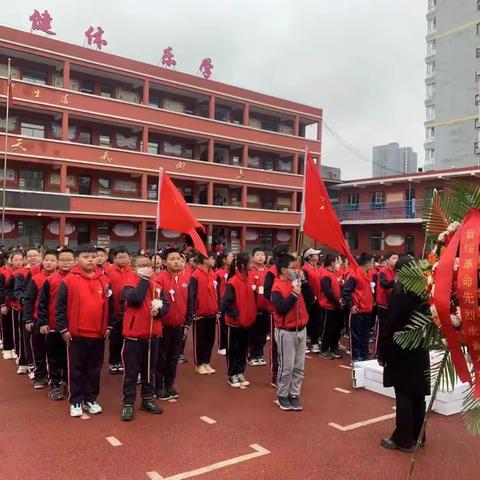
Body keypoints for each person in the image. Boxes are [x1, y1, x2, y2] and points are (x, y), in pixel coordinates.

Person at [379, 256, 430, 453]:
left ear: (400, 273)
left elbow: (389, 326)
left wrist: (383, 352)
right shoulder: (425, 292)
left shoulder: (400, 295)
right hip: (419, 348)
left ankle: (403, 439)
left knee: (404, 394)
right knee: (418, 394)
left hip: (401, 350)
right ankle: (419, 436)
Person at [56, 244, 114, 418]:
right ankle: (76, 400)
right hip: (76, 334)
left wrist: (109, 325)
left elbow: (110, 307)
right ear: (77, 260)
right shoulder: (68, 281)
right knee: (76, 368)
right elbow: (60, 308)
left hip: (98, 334)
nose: (90, 260)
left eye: (93, 257)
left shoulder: (105, 280)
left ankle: (90, 399)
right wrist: (63, 329)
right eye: (85, 257)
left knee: (94, 368)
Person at [120, 254, 169, 421]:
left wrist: (160, 311)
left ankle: (147, 399)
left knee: (149, 370)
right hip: (134, 336)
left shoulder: (157, 284)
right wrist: (145, 279)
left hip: (152, 334)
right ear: (134, 268)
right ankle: (128, 403)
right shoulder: (129, 283)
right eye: (142, 265)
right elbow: (135, 299)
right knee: (132, 372)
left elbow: (165, 304)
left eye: (148, 264)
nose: (147, 267)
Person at [271, 254, 315, 411]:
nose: (296, 270)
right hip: (286, 331)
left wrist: (304, 282)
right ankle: (282, 394)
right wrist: (293, 294)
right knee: (287, 366)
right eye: (292, 267)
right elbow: (281, 308)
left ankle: (294, 394)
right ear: (283, 269)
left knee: (299, 366)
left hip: (301, 328)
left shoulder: (297, 282)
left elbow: (311, 298)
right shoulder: (277, 287)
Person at [37, 248, 75, 400]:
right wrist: (43, 322)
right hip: (53, 326)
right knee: (54, 357)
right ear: (58, 262)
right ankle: (55, 384)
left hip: (72, 327)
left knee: (70, 357)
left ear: (75, 261)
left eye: (69, 260)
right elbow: (42, 303)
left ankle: (67, 382)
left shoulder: (78, 279)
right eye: (62, 260)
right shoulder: (50, 280)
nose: (66, 263)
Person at [23, 250, 59, 389]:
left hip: (56, 322)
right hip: (38, 320)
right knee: (39, 349)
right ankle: (40, 375)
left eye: (52, 260)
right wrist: (28, 319)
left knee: (54, 352)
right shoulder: (36, 279)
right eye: (47, 260)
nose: (49, 263)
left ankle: (56, 377)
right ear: (42, 261)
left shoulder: (62, 279)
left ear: (57, 263)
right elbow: (29, 300)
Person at [155, 248, 188, 400]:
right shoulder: (159, 278)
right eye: (172, 259)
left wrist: (186, 323)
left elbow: (189, 302)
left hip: (179, 325)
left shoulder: (184, 278)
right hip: (164, 325)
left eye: (179, 259)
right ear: (164, 262)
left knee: (174, 357)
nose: (177, 262)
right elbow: (157, 302)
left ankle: (169, 384)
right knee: (161, 357)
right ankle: (159, 386)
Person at [223, 252, 257, 388]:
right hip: (235, 323)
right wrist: (236, 315)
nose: (252, 264)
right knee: (233, 349)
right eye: (250, 262)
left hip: (247, 322)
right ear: (242, 265)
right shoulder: (232, 282)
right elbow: (226, 303)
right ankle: (232, 374)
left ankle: (240, 371)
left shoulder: (249, 278)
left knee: (243, 348)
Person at [186, 251, 219, 375]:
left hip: (212, 312)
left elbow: (217, 294)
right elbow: (192, 295)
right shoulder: (195, 276)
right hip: (200, 313)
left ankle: (206, 362)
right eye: (211, 258)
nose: (214, 260)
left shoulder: (214, 275)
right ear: (204, 260)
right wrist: (193, 311)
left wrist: (218, 308)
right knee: (200, 340)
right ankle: (198, 364)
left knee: (210, 339)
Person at [264, 245, 290, 387]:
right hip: (277, 312)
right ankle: (275, 374)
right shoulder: (271, 272)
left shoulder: (292, 272)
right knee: (276, 344)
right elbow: (268, 292)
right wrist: (278, 301)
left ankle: (287, 373)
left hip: (291, 313)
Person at [342, 253, 374, 363]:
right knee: (356, 335)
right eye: (372, 262)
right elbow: (346, 292)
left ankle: (364, 354)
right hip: (358, 310)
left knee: (365, 334)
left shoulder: (368, 274)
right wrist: (351, 305)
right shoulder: (354, 275)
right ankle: (356, 356)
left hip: (367, 309)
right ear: (367, 263)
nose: (373, 264)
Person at [14, 248, 42, 375]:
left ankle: (39, 366)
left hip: (42, 311)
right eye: (29, 256)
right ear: (26, 258)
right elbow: (18, 291)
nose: (32, 258)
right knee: (26, 337)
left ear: (40, 256)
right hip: (27, 310)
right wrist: (25, 300)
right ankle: (27, 363)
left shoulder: (46, 270)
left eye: (35, 255)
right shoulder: (21, 273)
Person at [105, 247, 132, 374]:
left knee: (127, 339)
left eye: (124, 257)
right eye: (119, 257)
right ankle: (113, 362)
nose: (122, 259)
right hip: (115, 311)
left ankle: (124, 361)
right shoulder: (108, 271)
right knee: (114, 340)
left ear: (129, 258)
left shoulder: (133, 271)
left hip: (130, 312)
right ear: (114, 259)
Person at [247, 248, 270, 366]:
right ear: (252, 258)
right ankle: (251, 355)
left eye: (262, 254)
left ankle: (260, 354)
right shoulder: (250, 271)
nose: (260, 257)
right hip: (253, 307)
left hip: (266, 306)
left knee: (263, 333)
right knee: (253, 332)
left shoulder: (269, 272)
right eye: (257, 255)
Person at [318, 254, 344, 360]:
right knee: (328, 330)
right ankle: (324, 350)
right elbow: (327, 291)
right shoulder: (325, 274)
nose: (339, 263)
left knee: (336, 329)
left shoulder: (332, 274)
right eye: (337, 261)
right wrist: (337, 302)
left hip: (336, 306)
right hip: (328, 307)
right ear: (333, 262)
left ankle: (333, 348)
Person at [375, 252, 398, 354]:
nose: (396, 260)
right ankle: (378, 351)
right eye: (393, 258)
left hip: (392, 305)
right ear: (387, 260)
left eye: (397, 258)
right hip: (383, 305)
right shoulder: (383, 272)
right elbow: (385, 284)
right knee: (382, 330)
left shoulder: (395, 271)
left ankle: (386, 352)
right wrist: (396, 280)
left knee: (390, 329)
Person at [301, 248, 323, 354]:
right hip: (308, 300)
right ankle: (303, 343)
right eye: (315, 254)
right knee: (307, 321)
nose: (317, 256)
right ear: (309, 257)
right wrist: (310, 296)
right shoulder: (305, 269)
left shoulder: (315, 268)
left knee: (316, 321)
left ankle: (314, 342)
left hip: (317, 300)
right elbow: (304, 286)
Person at [4, 251, 24, 361]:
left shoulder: (26, 272)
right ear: (11, 260)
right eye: (16, 259)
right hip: (10, 305)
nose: (18, 262)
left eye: (20, 259)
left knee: (18, 330)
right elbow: (5, 290)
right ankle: (9, 348)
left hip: (21, 306)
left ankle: (16, 349)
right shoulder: (6, 273)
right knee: (8, 327)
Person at [215, 251, 234, 355]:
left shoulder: (234, 272)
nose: (233, 259)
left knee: (230, 324)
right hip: (222, 301)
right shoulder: (219, 273)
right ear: (224, 260)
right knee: (222, 324)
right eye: (231, 257)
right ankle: (221, 346)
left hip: (231, 301)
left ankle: (229, 344)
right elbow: (217, 289)